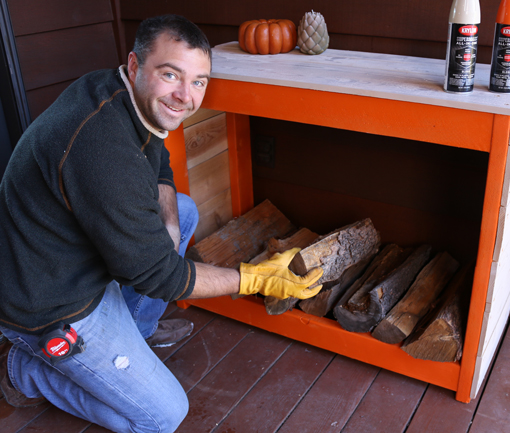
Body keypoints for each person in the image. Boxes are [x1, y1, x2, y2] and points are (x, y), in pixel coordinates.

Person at [0, 14, 322, 433]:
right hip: (49, 301)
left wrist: (169, 229)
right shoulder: (103, 151)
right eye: (171, 74)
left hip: (73, 257)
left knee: (182, 211)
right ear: (135, 66)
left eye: (199, 81)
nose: (185, 97)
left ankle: (137, 331)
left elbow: (159, 161)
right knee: (162, 416)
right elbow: (160, 277)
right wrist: (254, 279)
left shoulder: (123, 96)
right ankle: (24, 369)